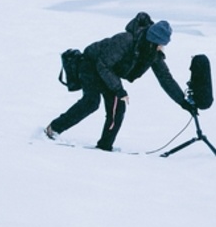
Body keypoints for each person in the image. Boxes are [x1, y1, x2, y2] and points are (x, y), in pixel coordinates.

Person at [45, 12, 194, 151]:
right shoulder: (126, 40)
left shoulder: (152, 53)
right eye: (161, 43)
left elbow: (166, 79)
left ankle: (104, 147)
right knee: (91, 102)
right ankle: (53, 129)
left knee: (118, 107)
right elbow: (103, 64)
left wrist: (183, 102)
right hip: (90, 64)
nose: (162, 47)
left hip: (108, 71)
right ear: (154, 40)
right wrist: (119, 89)